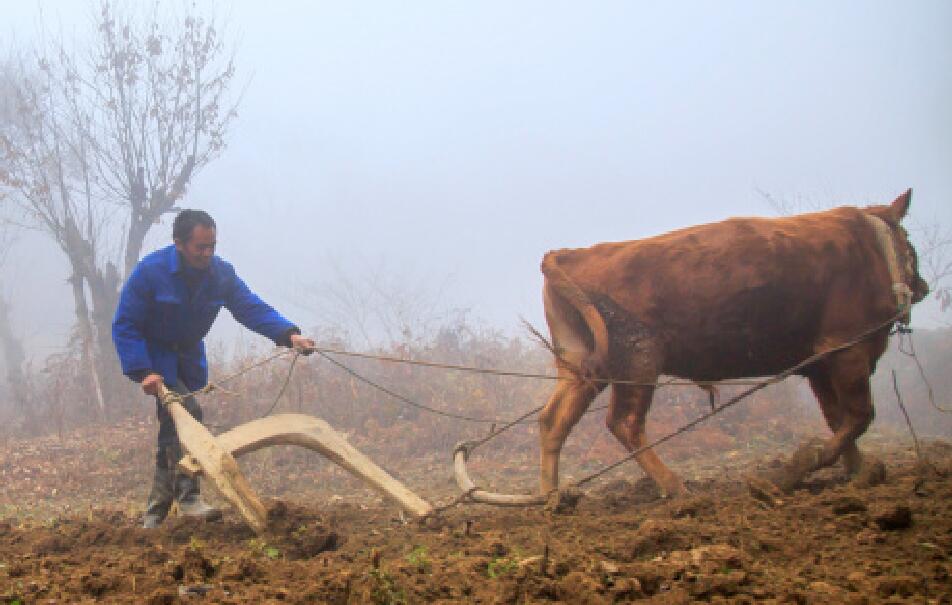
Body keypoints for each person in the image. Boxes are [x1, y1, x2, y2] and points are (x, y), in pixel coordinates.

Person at [112, 209, 315, 528]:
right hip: (156, 360)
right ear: (179, 243)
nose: (207, 254)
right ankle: (184, 499)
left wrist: (289, 335)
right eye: (200, 247)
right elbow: (125, 324)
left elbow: (250, 307)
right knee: (186, 413)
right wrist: (142, 370)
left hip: (189, 358)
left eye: (212, 246)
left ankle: (159, 508)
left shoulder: (221, 274)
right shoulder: (150, 272)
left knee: (175, 423)